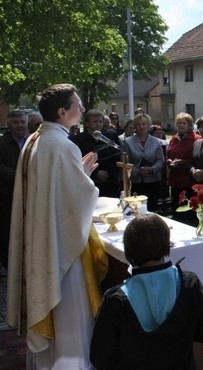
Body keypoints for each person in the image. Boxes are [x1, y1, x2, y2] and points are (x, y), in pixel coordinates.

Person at [7, 83, 106, 369]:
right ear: (63, 112)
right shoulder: (62, 145)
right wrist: (86, 178)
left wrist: (79, 176)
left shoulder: (37, 139)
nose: (83, 108)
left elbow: (54, 194)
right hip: (60, 248)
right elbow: (75, 203)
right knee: (69, 315)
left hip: (42, 237)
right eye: (78, 104)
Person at [90, 214, 203, 370]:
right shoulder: (190, 284)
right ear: (166, 243)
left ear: (129, 250)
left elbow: (101, 357)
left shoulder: (115, 300)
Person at [0, 110, 28, 272]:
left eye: (22, 122)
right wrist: (22, 175)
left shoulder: (34, 141)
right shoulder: (2, 144)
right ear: (9, 124)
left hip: (30, 194)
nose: (20, 125)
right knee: (9, 231)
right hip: (8, 196)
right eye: (16, 122)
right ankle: (9, 264)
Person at [71, 109, 122, 198]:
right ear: (87, 123)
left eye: (100, 121)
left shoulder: (111, 135)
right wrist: (96, 173)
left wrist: (108, 173)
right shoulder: (78, 139)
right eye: (94, 121)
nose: (98, 124)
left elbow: (117, 156)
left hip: (110, 182)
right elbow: (78, 161)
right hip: (90, 182)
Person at [122, 114, 165, 212]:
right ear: (135, 126)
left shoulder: (156, 142)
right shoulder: (127, 142)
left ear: (148, 125)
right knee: (137, 210)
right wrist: (137, 171)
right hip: (137, 182)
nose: (141, 127)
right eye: (138, 124)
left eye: (144, 124)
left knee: (152, 209)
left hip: (153, 181)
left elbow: (160, 160)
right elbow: (125, 162)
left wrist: (152, 169)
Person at [166, 113, 200, 220]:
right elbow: (168, 155)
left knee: (189, 211)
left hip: (188, 181)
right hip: (175, 180)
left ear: (190, 125)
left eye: (184, 123)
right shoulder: (173, 139)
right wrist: (169, 161)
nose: (181, 125)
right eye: (179, 123)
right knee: (177, 210)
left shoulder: (196, 139)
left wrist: (182, 162)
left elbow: (197, 159)